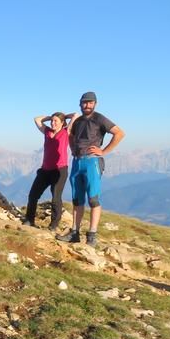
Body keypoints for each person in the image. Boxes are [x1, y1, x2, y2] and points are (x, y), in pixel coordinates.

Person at [56, 91, 125, 247]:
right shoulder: (78, 121)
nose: (87, 105)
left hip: (92, 162)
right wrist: (73, 149)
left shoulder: (99, 118)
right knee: (77, 199)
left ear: (95, 104)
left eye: (90, 102)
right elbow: (71, 136)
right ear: (80, 104)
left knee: (93, 199)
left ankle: (92, 235)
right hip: (77, 162)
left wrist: (104, 151)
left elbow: (119, 133)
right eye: (84, 102)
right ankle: (74, 233)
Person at [23, 111, 77, 230]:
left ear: (62, 123)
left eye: (55, 121)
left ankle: (53, 225)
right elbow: (37, 119)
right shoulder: (47, 131)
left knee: (56, 198)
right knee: (33, 195)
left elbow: (75, 115)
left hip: (60, 170)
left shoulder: (66, 132)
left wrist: (64, 116)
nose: (52, 123)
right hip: (45, 170)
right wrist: (51, 117)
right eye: (52, 121)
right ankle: (29, 220)